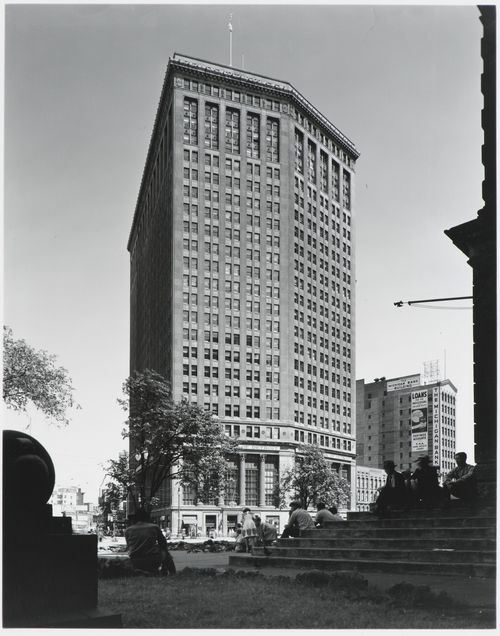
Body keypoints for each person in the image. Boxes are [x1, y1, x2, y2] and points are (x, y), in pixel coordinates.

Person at [125, 509, 176, 575]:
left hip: (135, 560)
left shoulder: (128, 530)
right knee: (166, 554)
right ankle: (171, 573)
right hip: (152, 559)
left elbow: (129, 546)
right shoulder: (154, 527)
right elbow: (163, 543)